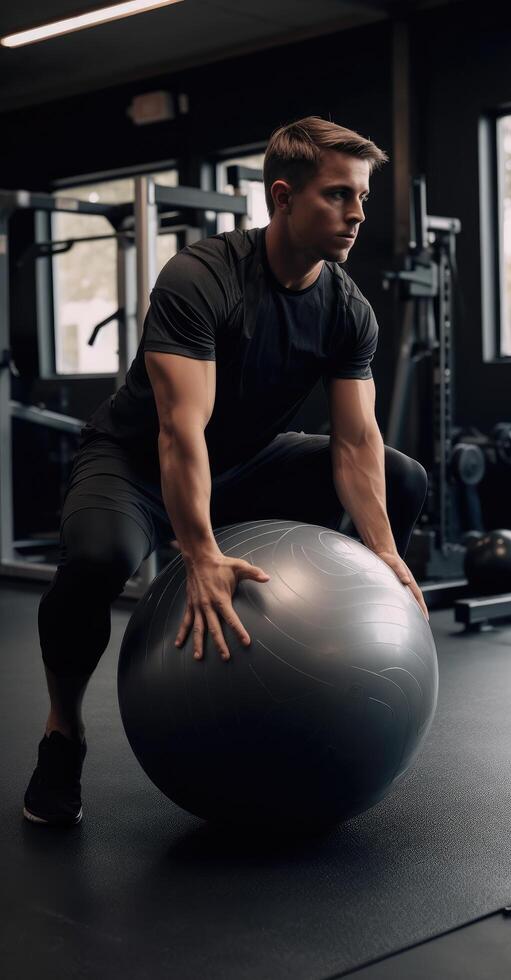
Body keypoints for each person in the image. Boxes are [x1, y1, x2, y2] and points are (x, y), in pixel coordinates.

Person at [23, 116, 429, 827]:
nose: (358, 214)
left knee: (403, 480)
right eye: (338, 195)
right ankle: (63, 732)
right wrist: (202, 549)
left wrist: (385, 551)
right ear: (283, 197)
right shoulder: (202, 278)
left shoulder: (345, 308)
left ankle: (296, 672)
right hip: (136, 459)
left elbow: (356, 440)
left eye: (361, 197)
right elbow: (181, 431)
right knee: (96, 560)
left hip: (246, 459)